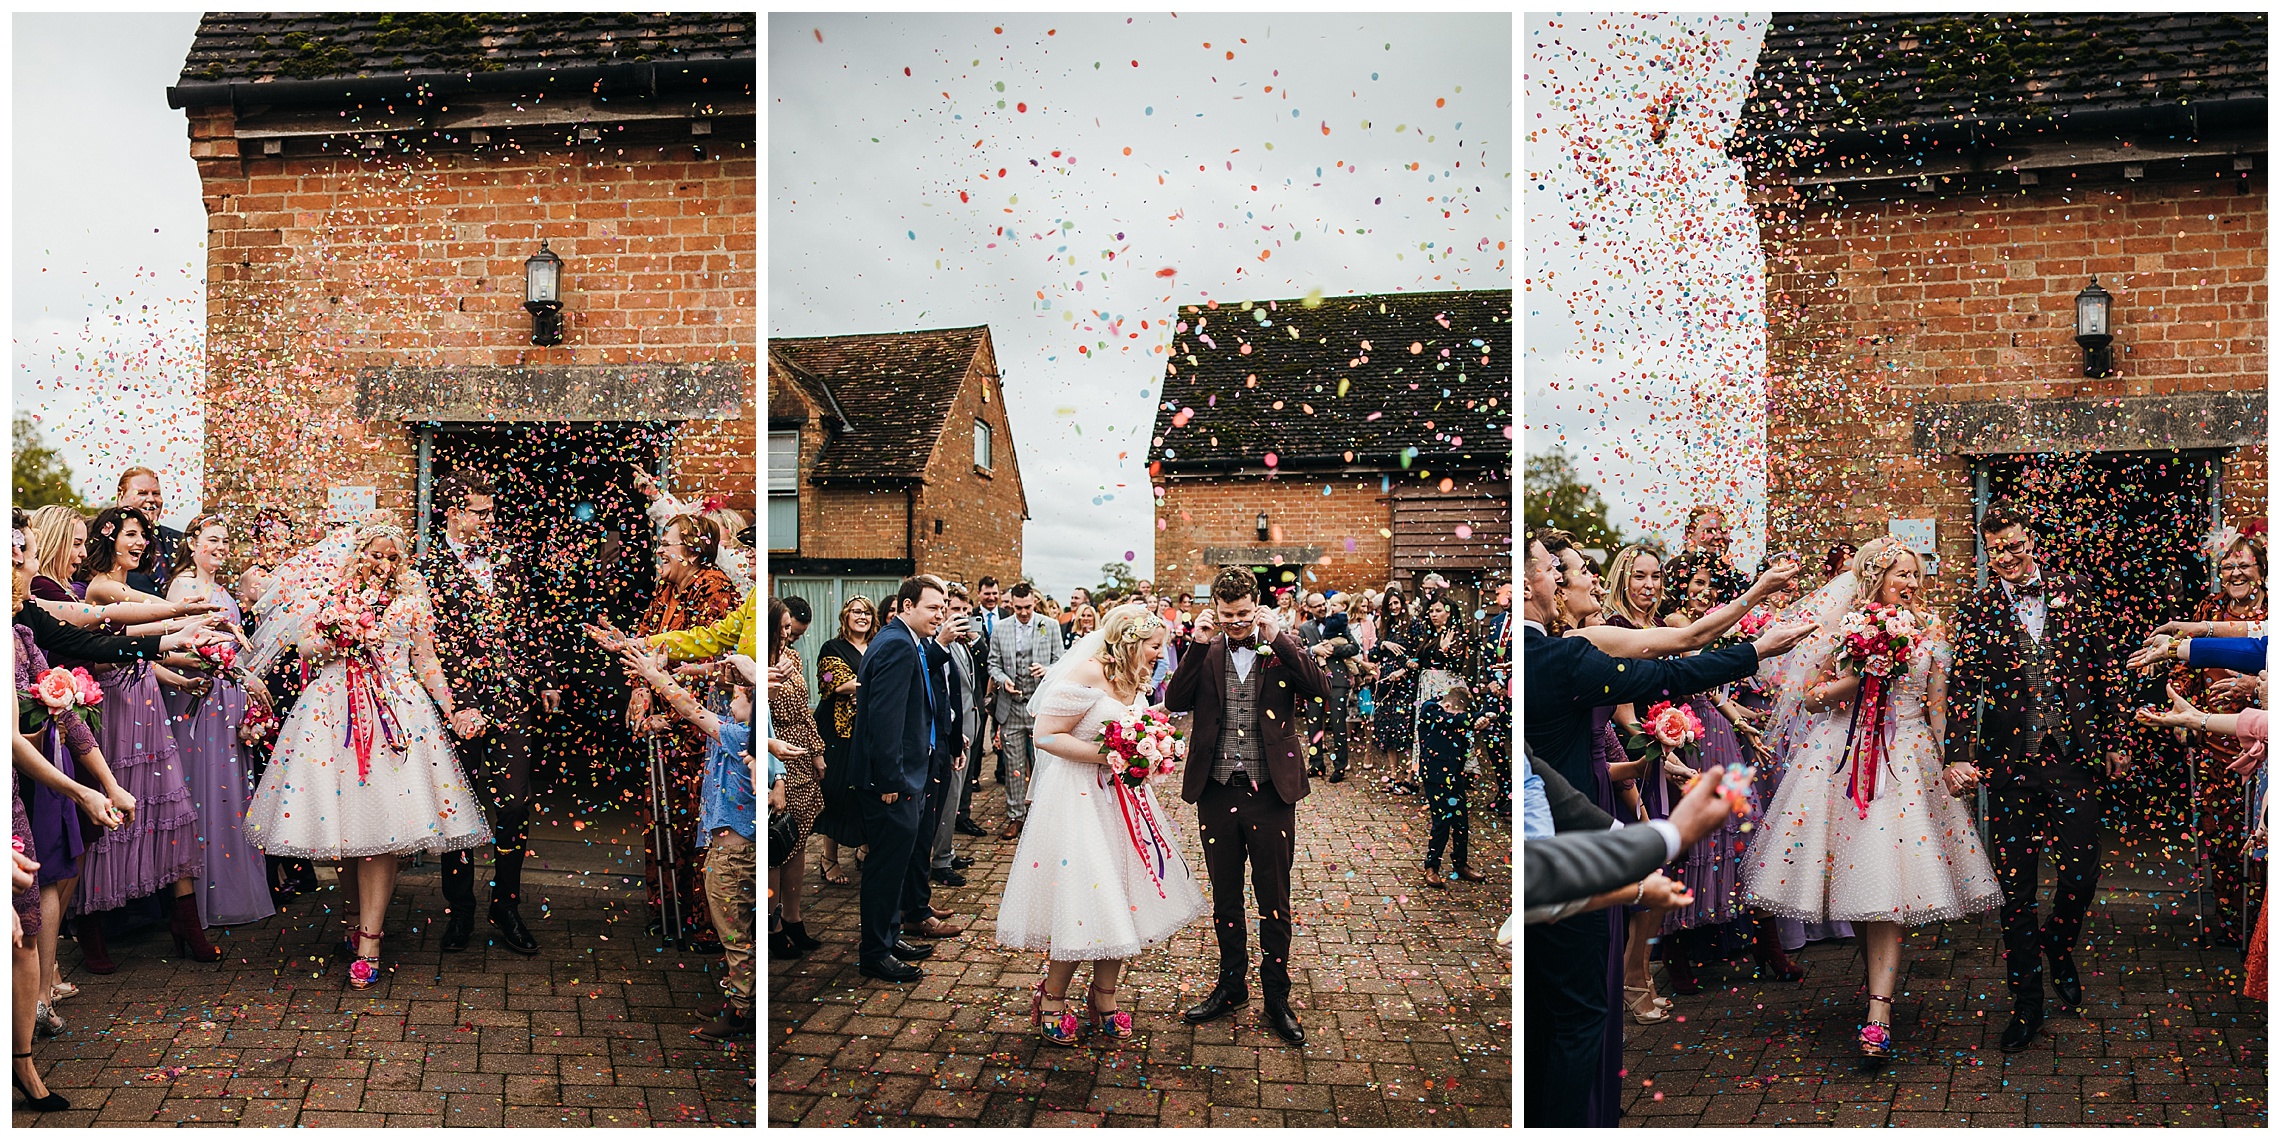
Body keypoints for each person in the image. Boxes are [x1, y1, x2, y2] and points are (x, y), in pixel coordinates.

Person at [1522, 532, 1816, 1128]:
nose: (1568, 579)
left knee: (1545, 1008)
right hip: (1570, 839)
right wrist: (1756, 650)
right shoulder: (1562, 657)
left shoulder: (1560, 649)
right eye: (1559, 569)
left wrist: (1756, 593)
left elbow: (1683, 640)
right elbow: (1673, 670)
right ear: (1531, 580)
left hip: (1573, 811)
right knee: (1580, 1012)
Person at [1745, 536, 2003, 1060]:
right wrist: (1859, 677)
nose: (1910, 583)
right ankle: (1877, 989)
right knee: (1860, 882)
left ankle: (1879, 1009)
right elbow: (1811, 699)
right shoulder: (1845, 627)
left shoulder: (1931, 631)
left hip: (1905, 762)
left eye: (1915, 574)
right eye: (1900, 574)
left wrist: (1949, 758)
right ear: (1876, 578)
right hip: (1840, 759)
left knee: (1886, 882)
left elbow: (1937, 707)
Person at [241, 521, 492, 988]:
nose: (384, 565)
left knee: (383, 825)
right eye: (377, 555)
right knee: (342, 826)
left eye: (393, 557)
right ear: (360, 555)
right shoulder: (334, 592)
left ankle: (371, 939)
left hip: (396, 711)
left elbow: (425, 658)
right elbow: (306, 649)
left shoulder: (412, 597)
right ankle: (353, 918)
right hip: (333, 712)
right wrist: (336, 636)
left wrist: (450, 705)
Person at [1942, 503, 2128, 1054]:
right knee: (2016, 891)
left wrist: (2116, 739)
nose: (2009, 557)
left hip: (2071, 760)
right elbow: (1962, 689)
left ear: (2032, 541)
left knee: (2080, 875)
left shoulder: (2074, 592)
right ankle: (2027, 1003)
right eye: (1997, 549)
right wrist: (1956, 754)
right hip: (2009, 766)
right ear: (1986, 551)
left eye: (2016, 546)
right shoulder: (1976, 609)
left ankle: (2059, 942)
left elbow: (2106, 667)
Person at [997, 603, 1208, 1043]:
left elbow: (1138, 727)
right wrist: (1110, 756)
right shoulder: (1090, 672)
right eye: (1154, 647)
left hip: (1125, 799)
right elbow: (1047, 735)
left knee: (1124, 897)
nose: (1158, 655)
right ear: (1130, 641)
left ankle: (1104, 995)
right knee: (1084, 900)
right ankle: (1052, 996)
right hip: (1081, 801)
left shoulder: (1137, 679)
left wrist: (1152, 751)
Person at [1166, 567, 1332, 1046]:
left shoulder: (1282, 644)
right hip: (1216, 790)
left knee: (1274, 899)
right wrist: (1197, 644)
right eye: (1226, 616)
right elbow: (1176, 700)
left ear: (1256, 607)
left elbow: (1319, 688)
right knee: (1226, 894)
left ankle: (1276, 996)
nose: (1235, 624)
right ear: (1215, 611)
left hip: (1271, 794)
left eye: (1242, 616)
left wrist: (1279, 638)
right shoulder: (1208, 647)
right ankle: (1231, 985)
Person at [71, 506, 223, 969]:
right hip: (113, 712)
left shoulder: (128, 588)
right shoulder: (100, 584)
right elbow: (140, 623)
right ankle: (89, 926)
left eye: (144, 536)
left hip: (146, 710)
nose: (140, 542)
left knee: (171, 811)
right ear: (110, 537)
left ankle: (185, 920)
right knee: (111, 816)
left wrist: (182, 679)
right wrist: (183, 620)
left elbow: (140, 652)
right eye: (131, 534)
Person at [414, 475, 558, 956]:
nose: (490, 520)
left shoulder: (508, 562)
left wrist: (545, 678)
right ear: (453, 513)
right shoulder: (425, 570)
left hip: (511, 700)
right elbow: (429, 644)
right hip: (455, 707)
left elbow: (527, 622)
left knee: (514, 805)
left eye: (492, 511)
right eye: (481, 512)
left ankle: (506, 904)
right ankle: (460, 911)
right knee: (458, 809)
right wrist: (459, 702)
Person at [618, 647, 756, 1039]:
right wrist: (690, 665)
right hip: (734, 848)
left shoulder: (738, 735)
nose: (731, 701)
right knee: (740, 928)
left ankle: (743, 1010)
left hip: (733, 855)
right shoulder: (751, 727)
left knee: (735, 932)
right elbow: (716, 683)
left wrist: (653, 673)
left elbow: (690, 708)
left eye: (740, 697)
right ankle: (738, 996)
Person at [161, 514, 278, 931]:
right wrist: (234, 670)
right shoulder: (184, 587)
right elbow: (181, 645)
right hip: (197, 698)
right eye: (213, 539)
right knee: (200, 791)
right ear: (193, 543)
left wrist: (247, 681)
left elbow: (237, 650)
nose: (221, 547)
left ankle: (232, 888)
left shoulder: (225, 592)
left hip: (225, 699)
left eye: (226, 540)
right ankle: (195, 902)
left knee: (231, 792)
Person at [628, 513, 738, 950]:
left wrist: (669, 716)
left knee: (696, 822)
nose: (659, 549)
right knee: (661, 818)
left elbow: (712, 663)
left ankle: (701, 919)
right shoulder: (664, 590)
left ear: (692, 549)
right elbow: (642, 643)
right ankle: (666, 908)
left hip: (694, 730)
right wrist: (638, 692)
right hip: (659, 723)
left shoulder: (713, 588)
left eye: (667, 542)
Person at [844, 577, 960, 983]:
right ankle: (875, 952)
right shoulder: (896, 643)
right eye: (933, 607)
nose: (940, 614)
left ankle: (890, 937)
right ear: (906, 605)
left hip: (910, 770)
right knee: (885, 868)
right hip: (890, 781)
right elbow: (884, 718)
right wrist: (890, 779)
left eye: (943, 606)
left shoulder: (906, 639)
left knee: (895, 864)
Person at [2165, 532, 2267, 944]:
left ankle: (2261, 920)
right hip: (2214, 735)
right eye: (2227, 566)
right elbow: (2185, 656)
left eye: (2244, 565)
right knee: (2221, 830)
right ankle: (2231, 916)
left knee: (2259, 832)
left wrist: (2257, 686)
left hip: (2262, 735)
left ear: (2262, 570)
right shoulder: (2209, 608)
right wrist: (2182, 709)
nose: (2235, 573)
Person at [758, 600, 827, 958]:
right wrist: (773, 680)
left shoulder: (793, 659)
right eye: (783, 628)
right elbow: (759, 716)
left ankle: (794, 918)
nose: (789, 634)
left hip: (800, 756)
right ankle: (772, 927)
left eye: (790, 628)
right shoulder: (757, 664)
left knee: (796, 842)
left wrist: (816, 751)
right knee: (774, 848)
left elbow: (804, 709)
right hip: (773, 757)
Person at [988, 582, 1064, 839]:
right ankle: (1015, 817)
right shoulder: (1001, 628)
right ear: (1011, 604)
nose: (1023, 612)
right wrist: (1002, 680)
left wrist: (1047, 671)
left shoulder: (1049, 625)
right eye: (1018, 607)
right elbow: (993, 664)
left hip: (1041, 707)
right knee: (1014, 766)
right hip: (1011, 708)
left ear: (1034, 602)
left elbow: (1060, 661)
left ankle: (1044, 817)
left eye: (1027, 607)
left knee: (1044, 765)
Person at [813, 595, 876, 884]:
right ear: (845, 616)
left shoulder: (877, 646)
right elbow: (832, 683)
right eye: (856, 612)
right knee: (836, 790)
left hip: (868, 729)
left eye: (867, 613)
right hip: (837, 732)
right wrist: (875, 683)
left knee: (865, 789)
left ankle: (864, 849)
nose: (862, 617)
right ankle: (829, 858)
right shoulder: (832, 648)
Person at [928, 585, 983, 888]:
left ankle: (946, 851)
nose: (962, 615)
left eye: (965, 610)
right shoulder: (937, 644)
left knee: (958, 795)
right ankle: (940, 860)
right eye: (956, 610)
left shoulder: (962, 642)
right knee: (947, 799)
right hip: (953, 732)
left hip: (969, 727)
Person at [1417, 681, 1487, 887]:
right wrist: (1472, 718)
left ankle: (1460, 863)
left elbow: (1463, 736)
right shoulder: (1430, 709)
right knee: (1441, 821)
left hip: (1455, 774)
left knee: (1461, 821)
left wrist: (1481, 722)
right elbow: (1449, 720)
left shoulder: (1459, 719)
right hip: (1435, 776)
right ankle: (1431, 867)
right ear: (1448, 706)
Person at [1655, 505, 1751, 624]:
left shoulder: (1739, 579)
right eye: (1709, 531)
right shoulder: (1673, 570)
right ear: (1689, 534)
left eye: (1724, 531)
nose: (1719, 537)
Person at [115, 468, 182, 597]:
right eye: (142, 493)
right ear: (121, 497)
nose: (151, 499)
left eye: (156, 493)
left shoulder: (179, 540)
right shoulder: (106, 539)